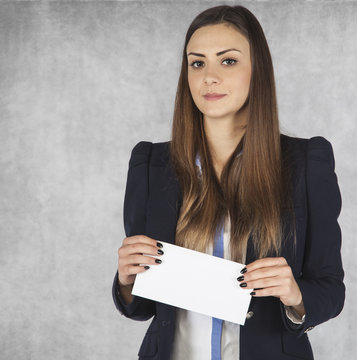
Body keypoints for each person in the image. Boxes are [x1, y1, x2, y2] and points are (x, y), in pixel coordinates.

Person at [112, 5, 344, 360]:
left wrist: (295, 294)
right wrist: (127, 281)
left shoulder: (306, 163)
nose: (209, 77)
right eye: (197, 62)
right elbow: (143, 307)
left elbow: (330, 289)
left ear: (258, 71)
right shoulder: (150, 165)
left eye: (228, 61)